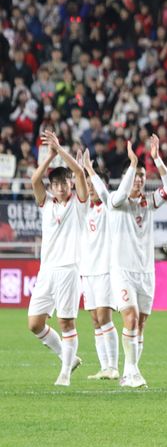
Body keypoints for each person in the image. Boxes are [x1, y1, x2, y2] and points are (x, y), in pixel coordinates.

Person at [110, 134, 167, 388]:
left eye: (141, 176)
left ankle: (131, 372)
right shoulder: (117, 202)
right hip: (123, 271)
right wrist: (133, 163)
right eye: (135, 175)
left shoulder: (148, 202)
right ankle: (130, 371)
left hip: (146, 272)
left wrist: (157, 159)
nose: (139, 179)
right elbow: (118, 196)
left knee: (141, 324)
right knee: (130, 317)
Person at [28, 130, 88, 386]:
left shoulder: (79, 203)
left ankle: (64, 373)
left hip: (69, 270)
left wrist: (60, 150)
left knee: (66, 321)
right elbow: (34, 180)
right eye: (57, 184)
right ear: (52, 188)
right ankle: (68, 357)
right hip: (47, 270)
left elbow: (81, 173)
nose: (61, 187)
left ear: (70, 184)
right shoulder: (47, 204)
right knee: (34, 324)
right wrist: (50, 157)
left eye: (65, 183)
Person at [80, 150, 119, 380]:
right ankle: (104, 367)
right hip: (88, 271)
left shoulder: (109, 207)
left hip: (106, 269)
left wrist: (90, 169)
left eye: (93, 183)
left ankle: (113, 366)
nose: (91, 188)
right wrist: (79, 168)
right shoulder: (84, 209)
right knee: (95, 320)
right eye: (88, 184)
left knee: (105, 317)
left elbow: (103, 194)